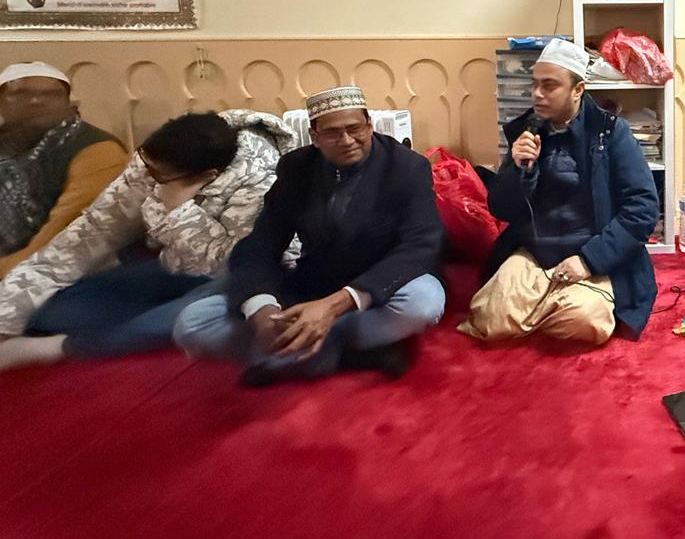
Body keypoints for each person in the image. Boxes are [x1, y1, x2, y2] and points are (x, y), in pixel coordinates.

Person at [173, 87, 446, 386]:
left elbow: (421, 244)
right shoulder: (297, 169)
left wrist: (334, 306)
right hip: (315, 286)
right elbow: (261, 243)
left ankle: (293, 355)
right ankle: (345, 355)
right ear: (314, 136)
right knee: (192, 324)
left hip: (380, 287)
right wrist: (262, 311)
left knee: (423, 303)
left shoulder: (406, 167)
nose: (347, 140)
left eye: (355, 128)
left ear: (369, 125)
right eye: (332, 133)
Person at [0, 110, 295, 371]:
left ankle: (70, 346)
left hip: (234, 281)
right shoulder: (156, 160)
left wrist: (179, 211)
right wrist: (6, 315)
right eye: (145, 165)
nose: (148, 178)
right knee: (53, 312)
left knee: (189, 317)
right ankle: (131, 324)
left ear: (208, 176)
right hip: (172, 269)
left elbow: (243, 266)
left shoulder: (261, 180)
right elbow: (90, 234)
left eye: (159, 176)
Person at [459, 39, 659, 345]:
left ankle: (546, 306)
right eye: (534, 84)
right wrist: (519, 170)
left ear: (577, 90)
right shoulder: (525, 131)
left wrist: (588, 261)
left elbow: (642, 209)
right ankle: (548, 302)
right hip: (534, 253)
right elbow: (501, 208)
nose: (537, 94)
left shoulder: (610, 133)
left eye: (549, 85)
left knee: (584, 320)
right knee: (488, 317)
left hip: (591, 253)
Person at [0, 62, 128, 277]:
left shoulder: (97, 149)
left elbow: (65, 235)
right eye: (21, 94)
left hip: (66, 272)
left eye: (51, 95)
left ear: (68, 104)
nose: (36, 101)